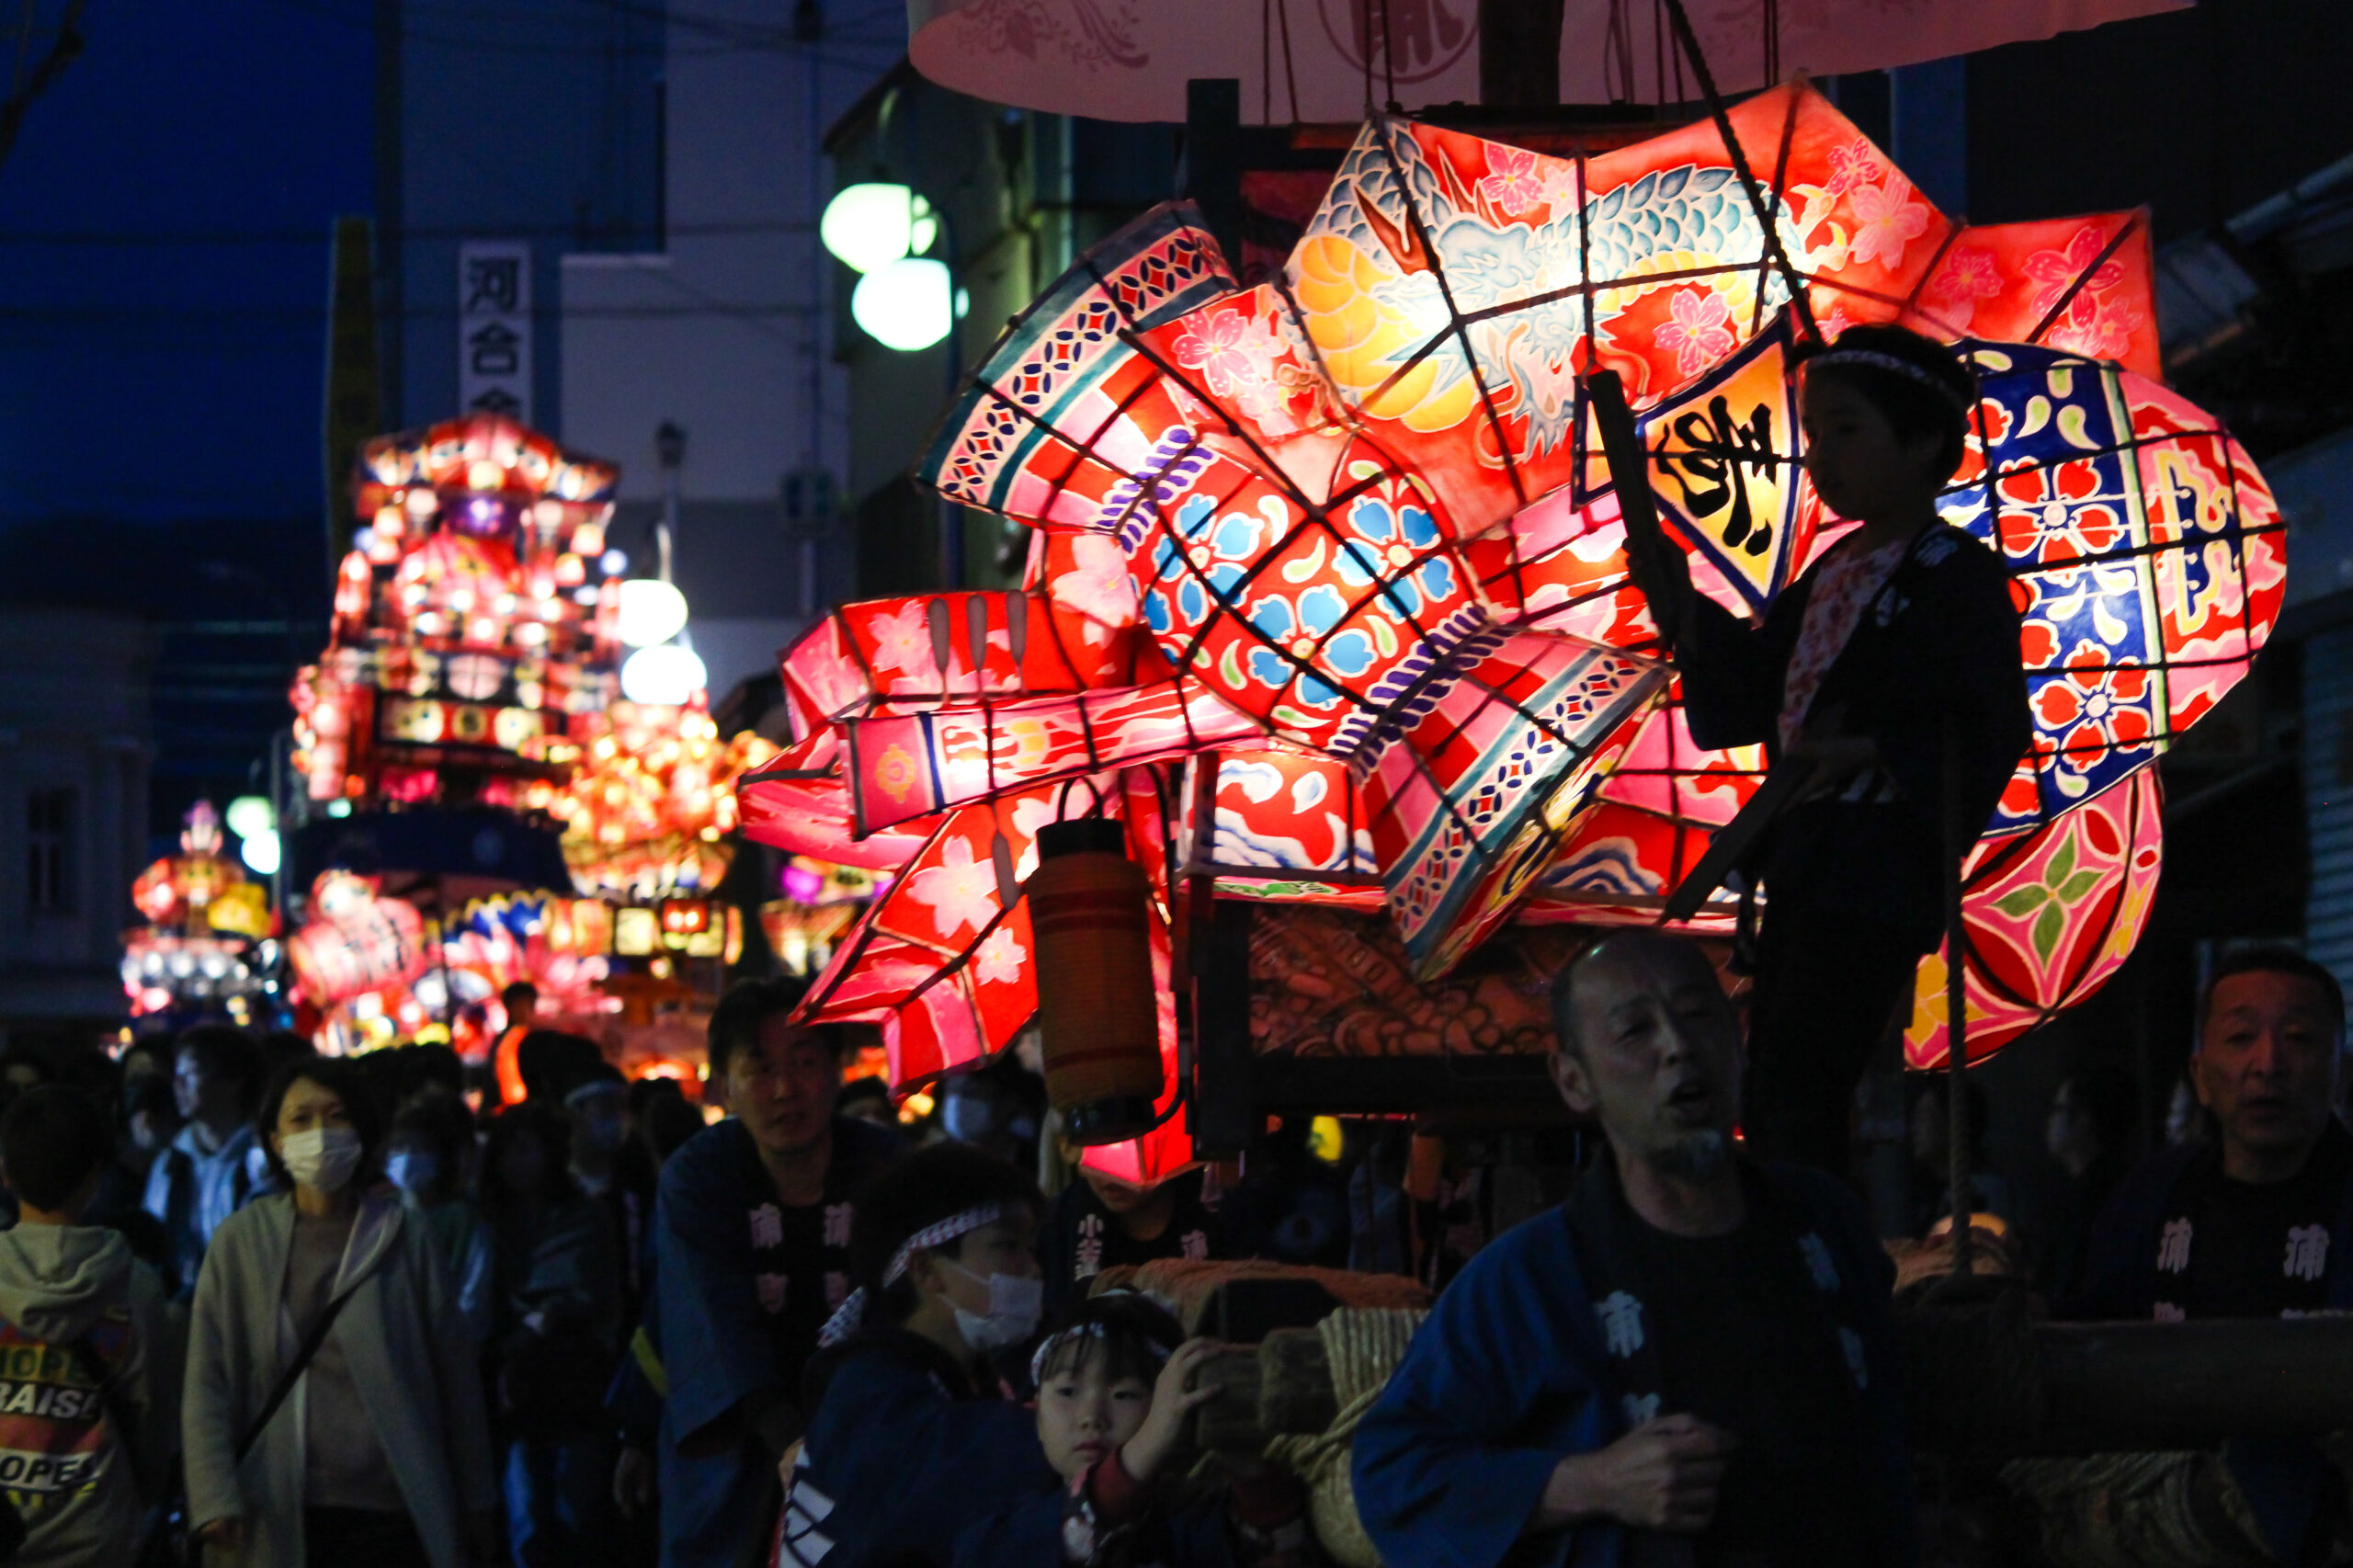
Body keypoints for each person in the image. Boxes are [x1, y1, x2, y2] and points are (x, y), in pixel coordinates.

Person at [1352, 930, 1914, 1568]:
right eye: (1634, 1032)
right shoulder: (1527, 1279)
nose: (1678, 1048)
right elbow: (1391, 1475)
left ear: (1737, 1038)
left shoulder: (1827, 1224)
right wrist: (1589, 1483)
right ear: (1573, 1081)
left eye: (1698, 1016)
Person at [1654, 324, 2032, 1176]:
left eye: (1848, 430)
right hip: (1805, 858)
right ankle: (1808, 1237)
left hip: (1871, 866)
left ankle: (1818, 1249)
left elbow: (1985, 723)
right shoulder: (1831, 571)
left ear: (1926, 442)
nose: (1821, 454)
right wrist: (1688, 613)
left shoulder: (1954, 576)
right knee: (1780, 1077)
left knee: (1805, 1079)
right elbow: (1749, 692)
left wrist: (1870, 750)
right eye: (1815, 432)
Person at [2062, 947, 2353, 1562]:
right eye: (2240, 1037)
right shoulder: (2149, 1195)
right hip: (2162, 1515)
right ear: (2199, 1074)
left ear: (2340, 1072)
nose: (2267, 1064)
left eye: (2299, 1039)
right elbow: (2083, 1335)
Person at [182, 1055, 498, 1568]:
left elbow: (454, 1378)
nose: (320, 1133)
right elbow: (207, 1381)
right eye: (300, 1119)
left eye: (337, 1115)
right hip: (277, 1502)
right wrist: (212, 1496)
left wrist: (477, 1496)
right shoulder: (242, 1241)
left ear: (364, 1131)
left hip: (394, 1508)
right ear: (275, 1141)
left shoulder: (405, 1236)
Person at [655, 979, 900, 1567]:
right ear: (723, 1086)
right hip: (737, 1439)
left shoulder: (886, 1166)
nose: (786, 1089)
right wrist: (786, 1437)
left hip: (865, 1430)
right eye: (761, 1070)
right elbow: (708, 1317)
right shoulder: (697, 1177)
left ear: (839, 1070)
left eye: (806, 1063)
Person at [779, 1142, 1057, 1568]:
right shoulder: (868, 1395)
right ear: (926, 1270)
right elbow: (966, 1464)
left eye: (1029, 1247)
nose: (1032, 1268)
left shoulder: (957, 1377)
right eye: (1007, 1246)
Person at [955, 1292, 1307, 1568]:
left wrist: (1249, 1470)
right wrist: (1135, 1459)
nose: (1091, 1417)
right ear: (1038, 1419)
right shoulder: (1000, 1532)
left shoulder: (1191, 1524)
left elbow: (1274, 1545)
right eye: (1067, 1392)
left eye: (1124, 1394)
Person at [0, 1085, 175, 1567]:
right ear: (95, 1177)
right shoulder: (135, 1286)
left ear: (6, 1173)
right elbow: (154, 1418)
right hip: (99, 1534)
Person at [483, 1100, 622, 1568]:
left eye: (526, 1150)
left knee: (575, 1511)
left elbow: (599, 1294)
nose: (516, 1163)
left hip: (575, 1381)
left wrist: (551, 1320)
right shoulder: (491, 1224)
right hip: (514, 1388)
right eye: (507, 1152)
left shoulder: (584, 1217)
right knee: (525, 1514)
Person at [142, 1024, 267, 1298]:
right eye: (177, 1074)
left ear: (234, 1080)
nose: (179, 1084)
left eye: (192, 1073)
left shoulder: (262, 1161)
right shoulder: (170, 1164)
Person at [1040, 1162, 1225, 1318]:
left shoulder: (1215, 1200)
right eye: (1096, 1150)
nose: (1111, 1170)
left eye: (1130, 1147)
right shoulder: (1066, 1215)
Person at [385, 1094, 494, 1345]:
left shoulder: (464, 1220)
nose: (408, 1157)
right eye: (400, 1148)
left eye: (421, 1149)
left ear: (442, 1157)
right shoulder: (378, 1212)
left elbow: (473, 1295)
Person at [2037, 1066, 2138, 1301]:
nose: (2050, 1119)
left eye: (2059, 1109)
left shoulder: (2093, 1200)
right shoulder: (2116, 1188)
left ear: (2083, 1119)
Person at [1907, 1075, 2016, 1237]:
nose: (1915, 1129)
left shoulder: (1980, 1193)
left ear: (1952, 1123)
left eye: (1925, 1118)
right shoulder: (1937, 1195)